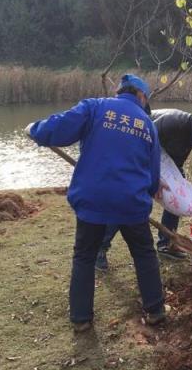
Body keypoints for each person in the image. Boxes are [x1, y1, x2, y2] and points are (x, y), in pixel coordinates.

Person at [25, 74, 165, 332]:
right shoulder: (147, 124)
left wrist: (36, 130)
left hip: (94, 200)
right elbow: (153, 174)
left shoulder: (95, 107)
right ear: (142, 97)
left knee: (84, 256)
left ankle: (81, 319)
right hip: (131, 202)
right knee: (144, 254)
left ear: (119, 92)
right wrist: (148, 192)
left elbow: (59, 127)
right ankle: (155, 310)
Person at [96, 109, 192, 269]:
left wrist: (177, 187)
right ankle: (100, 249)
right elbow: (140, 145)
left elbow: (175, 162)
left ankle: (166, 243)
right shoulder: (172, 123)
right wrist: (154, 177)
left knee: (179, 195)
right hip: (134, 154)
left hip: (160, 158)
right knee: (128, 202)